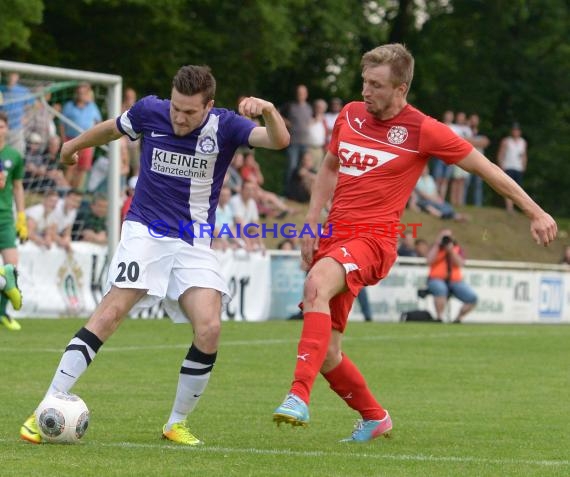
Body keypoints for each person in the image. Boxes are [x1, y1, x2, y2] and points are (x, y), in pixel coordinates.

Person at [272, 43, 557, 443]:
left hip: (374, 241)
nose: (365, 91)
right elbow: (329, 167)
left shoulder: (424, 130)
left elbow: (487, 168)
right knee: (328, 351)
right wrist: (310, 221)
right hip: (335, 237)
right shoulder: (350, 116)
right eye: (364, 82)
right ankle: (375, 418)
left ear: (401, 88)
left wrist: (535, 211)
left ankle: (297, 396)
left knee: (316, 284)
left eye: (376, 84)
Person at [20, 64, 289, 445]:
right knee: (111, 312)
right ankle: (44, 406)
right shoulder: (150, 111)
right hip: (145, 230)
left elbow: (279, 141)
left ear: (209, 106)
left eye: (190, 112)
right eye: (176, 108)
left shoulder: (226, 126)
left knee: (209, 328)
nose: (179, 117)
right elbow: (113, 128)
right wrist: (73, 145)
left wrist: (269, 111)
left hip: (193, 240)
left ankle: (175, 422)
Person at [0, 112, 26, 331]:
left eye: (1, 126)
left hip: (5, 218)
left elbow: (17, 186)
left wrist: (21, 217)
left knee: (12, 266)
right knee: (7, 272)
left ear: (7, 129)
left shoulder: (13, 156)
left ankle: (2, 313)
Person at [426, 229, 477, 323]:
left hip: (455, 281)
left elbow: (460, 263)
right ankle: (439, 317)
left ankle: (458, 319)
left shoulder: (457, 249)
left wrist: (451, 251)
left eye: (448, 237)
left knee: (472, 298)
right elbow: (429, 261)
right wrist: (437, 245)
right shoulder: (435, 248)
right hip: (436, 279)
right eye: (443, 237)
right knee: (440, 289)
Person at [60, 82, 102, 189]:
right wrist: (63, 139)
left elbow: (99, 123)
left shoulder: (92, 106)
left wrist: (95, 139)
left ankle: (74, 192)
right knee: (70, 166)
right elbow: (62, 124)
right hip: (71, 139)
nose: (81, 95)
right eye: (79, 93)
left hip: (87, 141)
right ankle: (65, 191)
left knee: (82, 168)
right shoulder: (69, 105)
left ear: (88, 93)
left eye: (83, 93)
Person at [497, 123, 527, 214]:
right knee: (508, 187)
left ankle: (514, 207)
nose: (515, 132)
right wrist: (501, 165)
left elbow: (524, 155)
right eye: (514, 130)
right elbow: (501, 153)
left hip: (518, 167)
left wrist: (524, 166)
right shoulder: (506, 141)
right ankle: (509, 207)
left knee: (517, 188)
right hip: (508, 166)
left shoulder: (523, 142)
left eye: (517, 130)